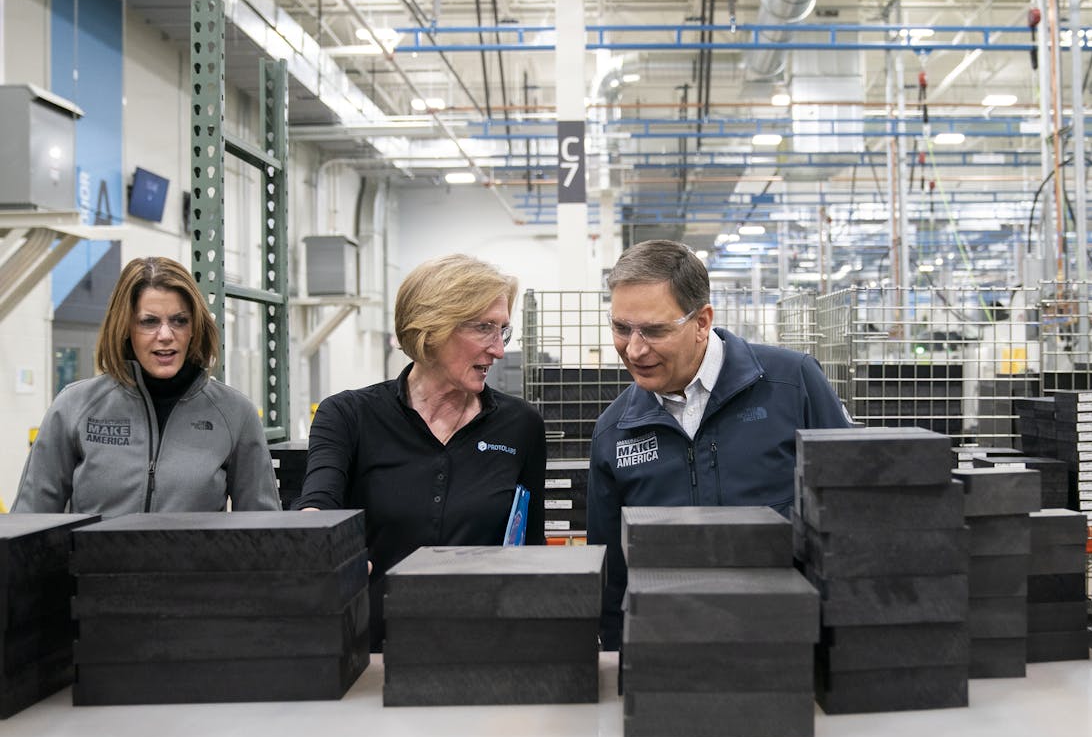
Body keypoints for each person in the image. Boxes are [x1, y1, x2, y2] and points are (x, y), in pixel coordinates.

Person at [587, 240, 853, 649]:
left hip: (793, 644)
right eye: (621, 328)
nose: (634, 349)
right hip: (673, 651)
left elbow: (851, 513)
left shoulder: (792, 384)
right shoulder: (614, 432)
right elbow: (611, 576)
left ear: (702, 321)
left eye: (655, 330)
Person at [295, 254, 546, 648]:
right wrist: (321, 547)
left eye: (503, 331)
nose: (499, 350)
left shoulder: (521, 426)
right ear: (433, 327)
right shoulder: (348, 416)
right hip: (373, 653)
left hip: (486, 650)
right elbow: (319, 503)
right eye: (484, 329)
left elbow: (531, 549)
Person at [13, 256, 279, 515]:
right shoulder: (75, 406)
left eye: (179, 321)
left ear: (194, 328)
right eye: (149, 322)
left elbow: (264, 534)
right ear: (125, 327)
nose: (165, 335)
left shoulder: (235, 413)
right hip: (94, 562)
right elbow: (28, 521)